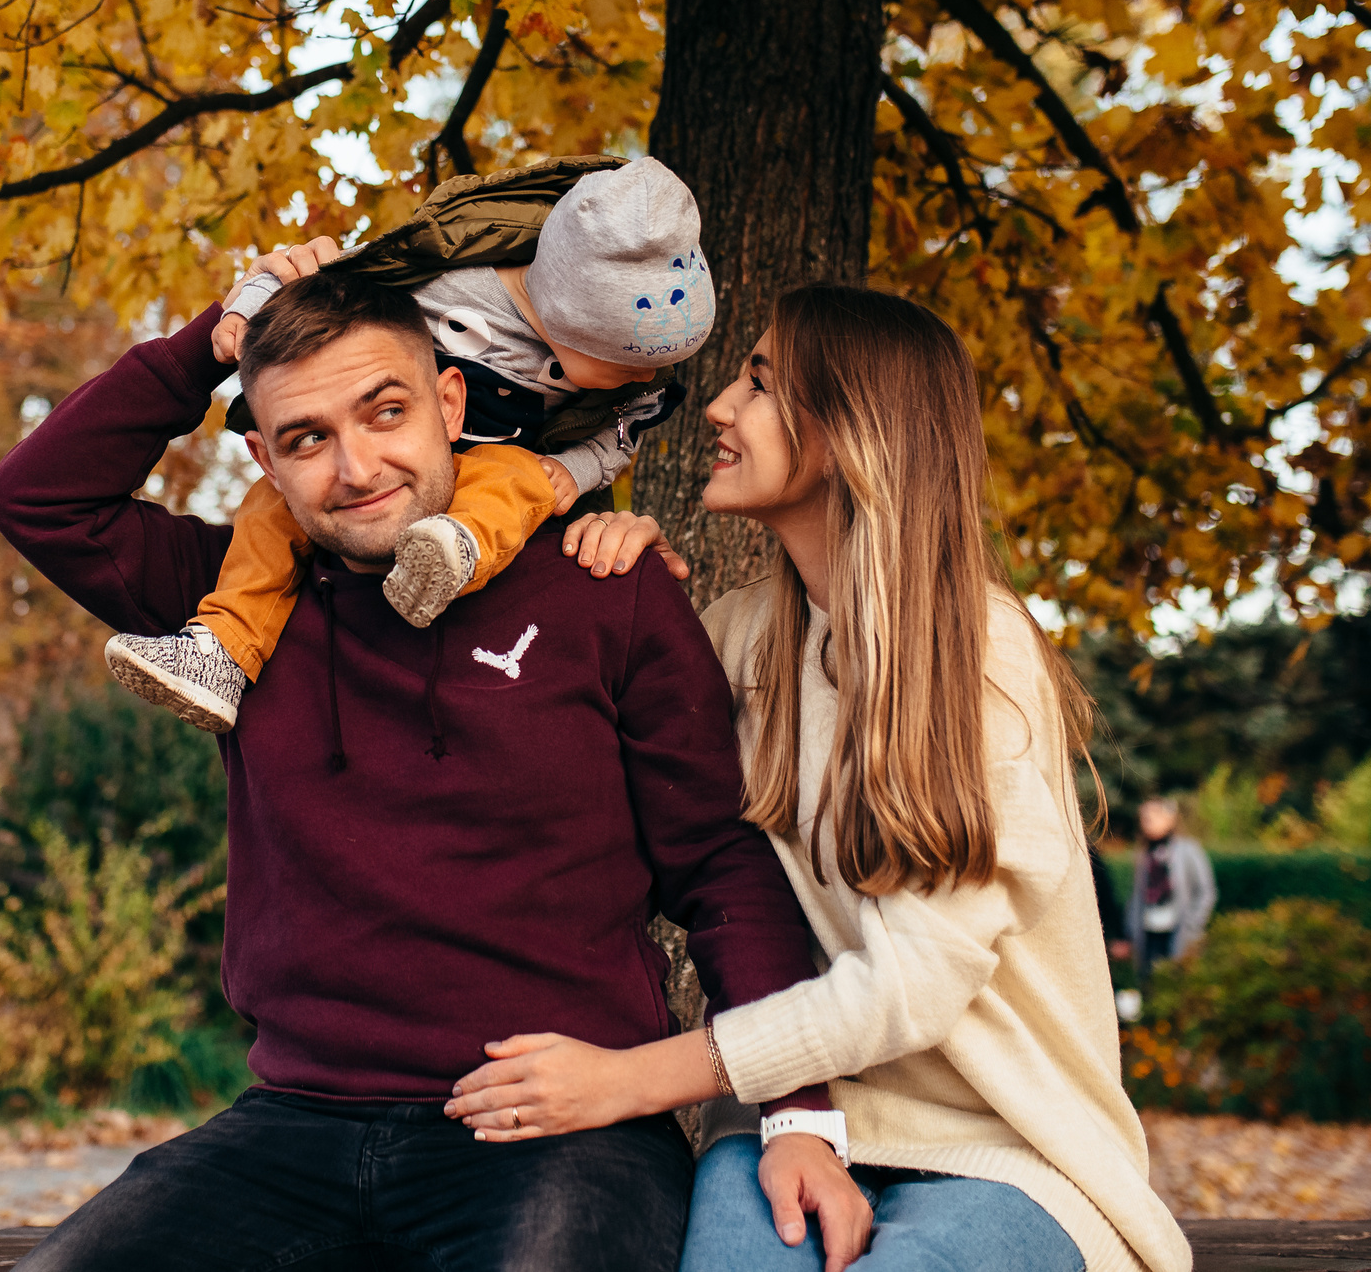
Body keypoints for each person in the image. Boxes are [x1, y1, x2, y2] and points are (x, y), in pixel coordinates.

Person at [0, 259, 830, 1272]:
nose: (355, 465)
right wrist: (216, 336)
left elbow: (720, 866)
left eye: (384, 411)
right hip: (291, 1125)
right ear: (265, 460)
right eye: (307, 438)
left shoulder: (604, 586)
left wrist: (798, 1116)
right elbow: (37, 497)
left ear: (449, 398)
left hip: (553, 1121)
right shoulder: (232, 612)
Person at [435, 286, 1193, 1272]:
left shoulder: (974, 651)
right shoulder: (742, 636)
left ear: (845, 432)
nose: (716, 405)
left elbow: (911, 985)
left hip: (1010, 1154)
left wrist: (628, 1080)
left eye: (758, 382)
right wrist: (613, 595)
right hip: (796, 1122)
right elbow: (589, 777)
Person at [103, 155, 715, 731]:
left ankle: (454, 551)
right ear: (565, 323)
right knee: (267, 513)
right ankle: (223, 649)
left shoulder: (640, 370)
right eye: (624, 365)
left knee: (520, 477)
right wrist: (239, 318)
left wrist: (575, 471)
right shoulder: (450, 280)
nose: (647, 378)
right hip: (422, 450)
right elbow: (323, 273)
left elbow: (617, 436)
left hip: (503, 461)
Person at [1126, 797, 1216, 980]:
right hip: (1148, 933)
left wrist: (1193, 923)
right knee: (1149, 981)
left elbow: (1206, 891)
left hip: (1180, 932)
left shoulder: (1188, 850)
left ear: (1170, 819)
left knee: (1177, 982)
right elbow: (1137, 895)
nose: (1147, 822)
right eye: (1144, 818)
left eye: (1153, 816)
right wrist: (1131, 928)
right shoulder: (1143, 854)